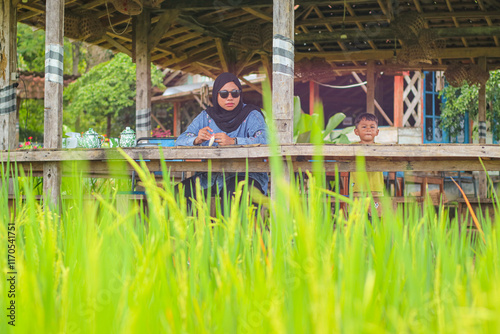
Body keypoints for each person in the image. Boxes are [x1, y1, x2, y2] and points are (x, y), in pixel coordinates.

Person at [175, 72, 268, 214]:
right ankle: (190, 234)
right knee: (178, 193)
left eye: (234, 93)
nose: (229, 98)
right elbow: (180, 140)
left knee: (232, 194)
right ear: (216, 95)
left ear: (240, 94)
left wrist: (234, 141)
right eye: (224, 94)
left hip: (247, 176)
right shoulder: (207, 116)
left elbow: (265, 141)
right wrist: (196, 139)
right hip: (211, 177)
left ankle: (237, 236)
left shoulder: (251, 114)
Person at [350, 113, 384, 216]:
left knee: (377, 216)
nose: (368, 129)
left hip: (376, 189)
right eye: (364, 127)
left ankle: (375, 233)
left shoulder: (383, 149)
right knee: (356, 218)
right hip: (357, 189)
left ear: (377, 132)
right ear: (356, 131)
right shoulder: (350, 148)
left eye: (372, 127)